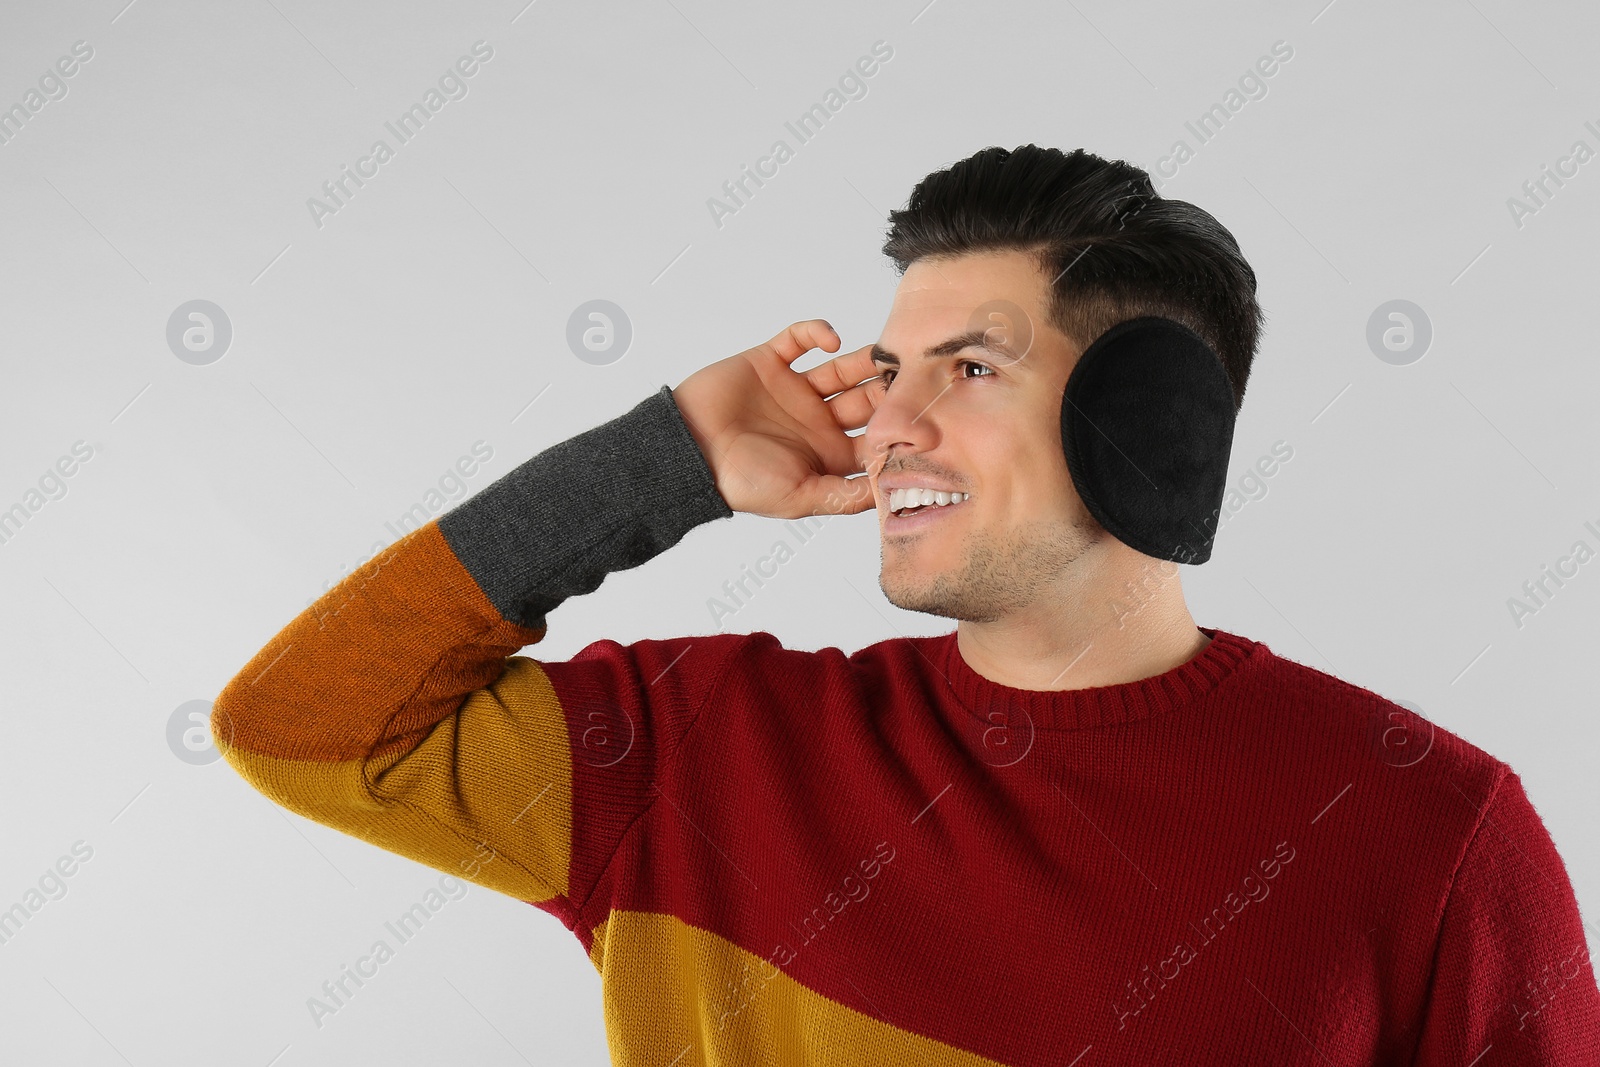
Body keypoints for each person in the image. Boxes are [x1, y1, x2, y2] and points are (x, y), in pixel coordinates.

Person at [213, 145, 1598, 1064]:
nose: (889, 425)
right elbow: (301, 727)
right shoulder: (699, 751)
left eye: (973, 369)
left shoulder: (1430, 833)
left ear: (1159, 422)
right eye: (889, 368)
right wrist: (667, 459)